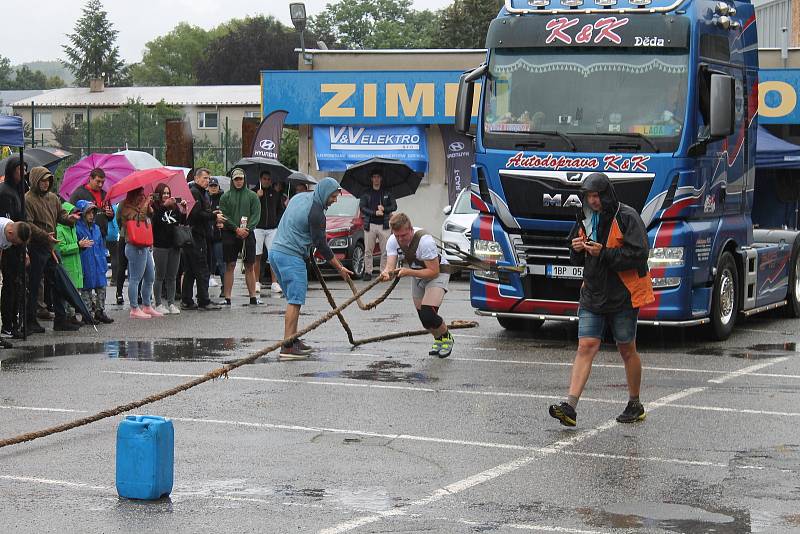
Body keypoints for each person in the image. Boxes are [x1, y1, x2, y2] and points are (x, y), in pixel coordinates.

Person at [548, 172, 654, 427]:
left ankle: (635, 403)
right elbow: (576, 255)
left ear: (606, 194)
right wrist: (574, 249)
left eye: (596, 196)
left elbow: (639, 254)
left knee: (626, 348)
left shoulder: (627, 216)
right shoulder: (585, 218)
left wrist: (604, 253)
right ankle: (570, 407)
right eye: (588, 196)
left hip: (623, 295)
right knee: (586, 346)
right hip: (593, 293)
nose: (593, 201)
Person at [270, 177, 353, 360]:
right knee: (295, 300)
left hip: (275, 253)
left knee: (293, 299)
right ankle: (287, 347)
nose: (334, 200)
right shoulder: (317, 213)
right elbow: (321, 245)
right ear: (324, 193)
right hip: (291, 256)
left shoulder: (300, 197)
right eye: (333, 196)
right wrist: (340, 268)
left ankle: (293, 339)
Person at [379, 212, 454, 358]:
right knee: (424, 319)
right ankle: (438, 339)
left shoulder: (425, 242)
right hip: (416, 272)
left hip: (437, 272)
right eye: (397, 236)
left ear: (411, 229)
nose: (400, 239)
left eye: (404, 235)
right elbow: (390, 265)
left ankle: (447, 337)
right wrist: (386, 273)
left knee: (428, 312)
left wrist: (409, 272)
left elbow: (433, 271)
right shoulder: (393, 240)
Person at [25, 167, 82, 333]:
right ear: (35, 180)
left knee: (58, 282)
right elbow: (27, 224)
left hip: (51, 246)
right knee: (34, 285)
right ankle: (30, 321)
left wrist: (70, 219)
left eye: (48, 180)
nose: (46, 183)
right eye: (43, 180)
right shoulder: (27, 199)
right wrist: (44, 236)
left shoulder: (53, 198)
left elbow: (61, 216)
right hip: (36, 246)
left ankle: (61, 319)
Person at [117, 187, 162, 320]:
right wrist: (146, 204)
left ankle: (147, 305)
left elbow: (148, 218)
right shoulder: (125, 206)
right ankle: (134, 308)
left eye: (143, 195)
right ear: (133, 195)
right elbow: (138, 219)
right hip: (133, 245)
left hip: (145, 245)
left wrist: (149, 207)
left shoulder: (140, 205)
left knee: (150, 276)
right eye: (140, 195)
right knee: (135, 278)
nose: (142, 197)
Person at [181, 168, 222, 310]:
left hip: (198, 234)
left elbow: (201, 212)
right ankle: (203, 300)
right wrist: (213, 216)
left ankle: (187, 300)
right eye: (205, 178)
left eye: (208, 178)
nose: (207, 181)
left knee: (191, 270)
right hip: (196, 235)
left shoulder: (201, 193)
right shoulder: (194, 192)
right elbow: (196, 215)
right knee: (201, 268)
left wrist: (212, 213)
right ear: (197, 178)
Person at [219, 168, 261, 305]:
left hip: (248, 233)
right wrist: (236, 228)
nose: (238, 181)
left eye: (241, 179)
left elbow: (256, 214)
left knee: (250, 265)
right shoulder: (225, 196)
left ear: (244, 179)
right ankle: (227, 297)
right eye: (236, 179)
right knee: (230, 265)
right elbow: (224, 215)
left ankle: (253, 297)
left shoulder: (252, 196)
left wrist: (247, 229)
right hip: (230, 233)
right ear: (232, 180)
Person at [0, 156, 27, 338]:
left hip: (18, 243)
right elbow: (9, 222)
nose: (22, 173)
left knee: (18, 285)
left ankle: (15, 321)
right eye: (19, 169)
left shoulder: (19, 190)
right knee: (9, 285)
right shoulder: (5, 192)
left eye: (24, 169)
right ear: (11, 170)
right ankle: (8, 324)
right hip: (8, 243)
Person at [75, 200, 113, 324]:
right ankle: (87, 314)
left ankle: (100, 311)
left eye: (93, 212)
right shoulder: (78, 229)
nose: (91, 215)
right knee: (86, 290)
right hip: (85, 263)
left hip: (98, 263)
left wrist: (103, 262)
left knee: (101, 287)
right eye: (88, 213)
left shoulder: (96, 228)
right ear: (82, 214)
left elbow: (101, 245)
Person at [151, 183, 187, 315]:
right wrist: (162, 207)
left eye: (168, 193)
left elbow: (180, 223)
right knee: (160, 276)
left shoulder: (174, 207)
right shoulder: (154, 207)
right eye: (164, 193)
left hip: (174, 245)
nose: (166, 195)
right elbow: (154, 223)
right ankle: (158, 303)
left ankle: (171, 303)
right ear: (159, 194)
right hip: (160, 245)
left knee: (172, 276)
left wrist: (183, 211)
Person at [359, 170, 397, 281]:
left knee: (385, 250)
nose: (376, 179)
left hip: (384, 225)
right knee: (368, 250)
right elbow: (362, 208)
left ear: (381, 179)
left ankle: (383, 272)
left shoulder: (386, 192)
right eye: (374, 177)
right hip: (370, 225)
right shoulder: (366, 193)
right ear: (371, 179)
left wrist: (385, 209)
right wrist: (374, 213)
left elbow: (394, 206)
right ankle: (368, 272)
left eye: (378, 177)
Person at [0, 217, 31, 348]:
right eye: (15, 242)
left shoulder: (12, 230)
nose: (15, 244)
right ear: (10, 233)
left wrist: (25, 253)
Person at [253, 170, 285, 294]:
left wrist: (276, 222)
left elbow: (280, 209)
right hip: (258, 227)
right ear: (260, 179)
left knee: (273, 256)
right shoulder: (253, 192)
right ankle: (256, 282)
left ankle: (274, 282)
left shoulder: (275, 193)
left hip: (272, 229)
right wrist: (257, 197)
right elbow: (249, 208)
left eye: (268, 179)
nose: (266, 181)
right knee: (257, 255)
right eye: (264, 179)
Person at [56, 202, 85, 326]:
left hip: (75, 265)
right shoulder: (60, 229)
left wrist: (81, 246)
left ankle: (72, 315)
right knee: (68, 292)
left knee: (74, 292)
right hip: (67, 266)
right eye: (72, 214)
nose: (75, 217)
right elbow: (61, 248)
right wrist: (78, 245)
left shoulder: (72, 228)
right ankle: (68, 316)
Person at [69, 167, 114, 238]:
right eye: (98, 181)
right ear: (90, 178)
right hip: (86, 234)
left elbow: (110, 217)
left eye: (102, 182)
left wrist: (110, 214)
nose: (100, 185)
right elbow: (71, 212)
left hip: (102, 234)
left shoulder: (105, 194)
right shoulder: (79, 193)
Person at [207, 177, 225, 290]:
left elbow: (227, 216)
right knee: (207, 263)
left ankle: (225, 287)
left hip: (219, 236)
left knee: (222, 263)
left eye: (215, 186)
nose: (213, 188)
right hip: (207, 236)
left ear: (218, 187)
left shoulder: (223, 199)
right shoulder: (204, 198)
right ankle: (204, 291)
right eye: (211, 186)